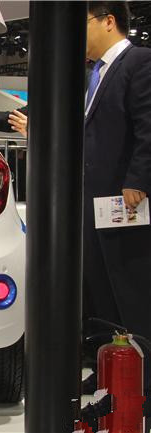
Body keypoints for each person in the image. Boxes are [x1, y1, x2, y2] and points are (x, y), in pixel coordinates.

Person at [84, 1, 151, 422]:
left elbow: (148, 125)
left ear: (109, 21)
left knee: (133, 290)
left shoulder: (138, 62)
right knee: (102, 290)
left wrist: (138, 178)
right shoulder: (94, 73)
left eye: (83, 23)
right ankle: (110, 372)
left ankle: (146, 382)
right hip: (96, 205)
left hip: (127, 202)